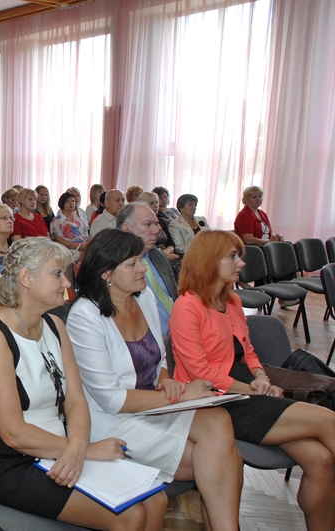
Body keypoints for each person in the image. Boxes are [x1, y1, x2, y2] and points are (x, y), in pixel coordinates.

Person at [0, 237, 165, 529]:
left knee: (156, 500)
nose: (67, 282)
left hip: (61, 447)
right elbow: (13, 433)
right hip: (8, 463)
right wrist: (85, 450)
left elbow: (75, 400)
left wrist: (77, 446)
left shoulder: (55, 325)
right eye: (57, 274)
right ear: (26, 278)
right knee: (130, 516)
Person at [66, 229, 242, 531]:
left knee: (219, 420)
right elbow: (113, 399)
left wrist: (165, 379)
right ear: (107, 273)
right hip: (112, 422)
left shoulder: (143, 295)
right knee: (226, 461)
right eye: (133, 263)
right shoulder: (85, 317)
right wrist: (182, 395)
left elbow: (158, 356)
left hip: (153, 405)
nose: (143, 268)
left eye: (141, 261)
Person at [170, 230, 335, 531]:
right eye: (232, 257)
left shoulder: (230, 300)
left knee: (321, 460)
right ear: (209, 261)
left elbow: (247, 352)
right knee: (329, 421)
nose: (242, 264)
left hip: (245, 389)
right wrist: (254, 390)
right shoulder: (187, 305)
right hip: (216, 400)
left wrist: (261, 377)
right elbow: (201, 373)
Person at [117, 203, 178, 337]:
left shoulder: (158, 256)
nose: (156, 230)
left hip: (179, 333)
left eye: (156, 224)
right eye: (148, 224)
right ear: (126, 229)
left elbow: (174, 296)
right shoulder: (116, 267)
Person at [138, 193, 181, 280]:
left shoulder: (162, 221)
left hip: (167, 254)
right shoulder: (140, 224)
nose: (155, 206)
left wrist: (167, 252)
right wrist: (164, 255)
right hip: (152, 256)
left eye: (156, 202)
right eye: (151, 203)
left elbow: (171, 243)